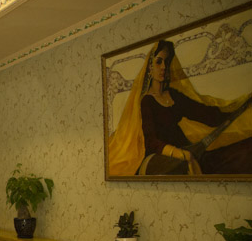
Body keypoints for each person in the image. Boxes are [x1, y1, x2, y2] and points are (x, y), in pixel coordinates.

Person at [108, 39, 252, 176]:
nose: (164, 67)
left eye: (167, 62)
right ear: (150, 68)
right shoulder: (146, 101)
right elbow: (150, 141)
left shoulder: (174, 95)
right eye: (158, 62)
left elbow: (206, 114)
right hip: (162, 158)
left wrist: (237, 108)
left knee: (241, 151)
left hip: (186, 149)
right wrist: (179, 153)